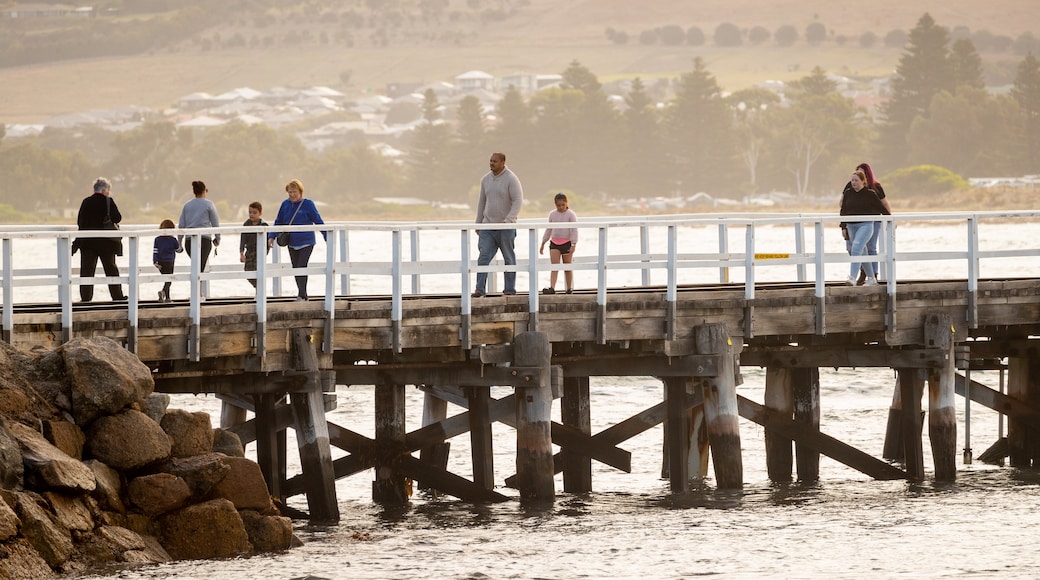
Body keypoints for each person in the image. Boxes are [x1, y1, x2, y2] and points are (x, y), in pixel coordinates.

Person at [472, 152, 524, 297]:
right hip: (488, 226)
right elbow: (482, 202)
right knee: (483, 257)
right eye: (490, 161)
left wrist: (508, 220)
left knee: (508, 258)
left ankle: (509, 290)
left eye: (494, 161)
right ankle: (479, 290)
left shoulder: (511, 179)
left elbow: (518, 201)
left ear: (502, 162)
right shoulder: (485, 180)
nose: (491, 163)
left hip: (506, 227)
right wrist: (478, 223)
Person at [267, 179, 326, 301]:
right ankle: (302, 294)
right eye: (290, 193)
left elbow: (318, 220)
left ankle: (302, 295)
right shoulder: (285, 204)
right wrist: (271, 236)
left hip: (306, 241)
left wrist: (327, 236)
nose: (292, 195)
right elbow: (279, 221)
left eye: (294, 192)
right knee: (295, 267)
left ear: (300, 192)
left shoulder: (308, 204)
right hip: (292, 242)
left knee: (301, 266)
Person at [74, 177, 126, 302]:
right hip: (106, 243)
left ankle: (86, 298)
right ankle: (117, 296)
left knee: (87, 271)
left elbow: (79, 222)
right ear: (104, 190)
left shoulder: (86, 202)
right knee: (111, 269)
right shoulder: (108, 201)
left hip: (87, 242)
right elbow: (117, 218)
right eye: (108, 190)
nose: (109, 192)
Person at [841, 163, 892, 284]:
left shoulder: (870, 194)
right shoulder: (848, 192)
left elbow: (882, 208)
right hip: (851, 225)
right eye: (852, 180)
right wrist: (843, 227)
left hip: (866, 225)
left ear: (863, 181)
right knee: (862, 251)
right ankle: (871, 278)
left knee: (856, 248)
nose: (853, 183)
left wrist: (890, 219)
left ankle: (852, 277)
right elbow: (843, 210)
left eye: (856, 180)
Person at [178, 180, 221, 297]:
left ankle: (197, 293)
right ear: (203, 191)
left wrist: (179, 241)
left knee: (196, 266)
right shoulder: (209, 204)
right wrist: (218, 239)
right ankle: (198, 294)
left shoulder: (187, 205)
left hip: (189, 241)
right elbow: (215, 223)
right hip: (205, 240)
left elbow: (181, 224)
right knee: (200, 267)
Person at [539, 192, 578, 294]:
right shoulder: (552, 214)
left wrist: (573, 244)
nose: (561, 207)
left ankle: (569, 288)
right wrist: (543, 243)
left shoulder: (571, 214)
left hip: (567, 242)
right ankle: (552, 287)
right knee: (554, 266)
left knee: (567, 267)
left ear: (566, 203)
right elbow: (549, 229)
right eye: (558, 205)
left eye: (563, 205)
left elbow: (574, 230)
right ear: (555, 204)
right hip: (555, 242)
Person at [240, 201, 269, 288]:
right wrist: (241, 252)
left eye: (254, 213)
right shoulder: (246, 224)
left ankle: (259, 291)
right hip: (249, 250)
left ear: (260, 213)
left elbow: (267, 240)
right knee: (248, 270)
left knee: (258, 270)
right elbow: (243, 239)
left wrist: (266, 251)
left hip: (259, 251)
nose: (252, 214)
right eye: (250, 212)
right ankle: (258, 288)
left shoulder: (264, 225)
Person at [153, 219, 179, 302]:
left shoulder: (157, 239)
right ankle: (163, 292)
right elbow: (178, 249)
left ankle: (167, 298)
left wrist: (155, 262)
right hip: (170, 262)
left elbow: (155, 251)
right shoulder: (173, 240)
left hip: (160, 262)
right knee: (169, 280)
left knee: (167, 279)